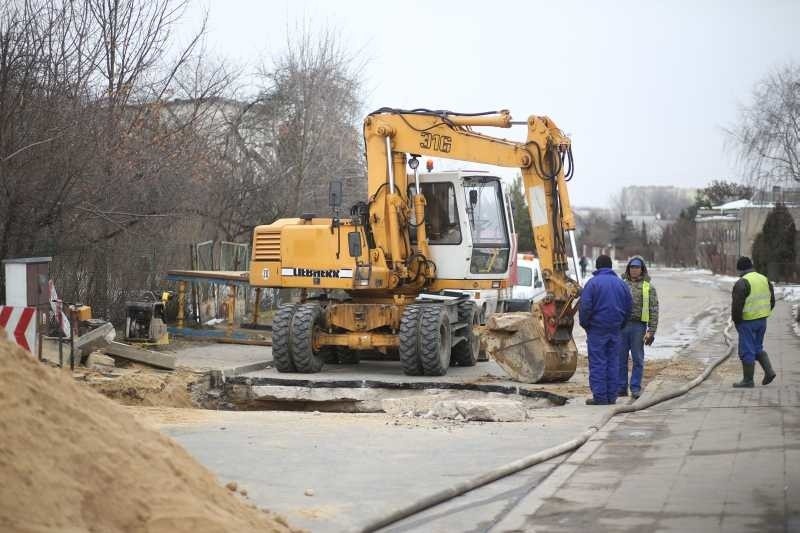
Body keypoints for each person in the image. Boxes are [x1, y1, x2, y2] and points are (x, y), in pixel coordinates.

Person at [579, 255, 633, 405]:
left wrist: (586, 324)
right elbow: (629, 307)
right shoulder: (621, 284)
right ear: (610, 266)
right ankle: (611, 397)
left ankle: (600, 397)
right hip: (615, 329)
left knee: (598, 362)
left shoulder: (592, 283)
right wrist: (621, 324)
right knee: (613, 361)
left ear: (597, 267)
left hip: (597, 329)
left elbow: (585, 307)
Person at [731, 256, 776, 388]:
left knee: (747, 350)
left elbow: (737, 306)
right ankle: (769, 371)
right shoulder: (764, 279)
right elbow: (771, 300)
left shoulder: (742, 282)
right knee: (757, 347)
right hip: (762, 320)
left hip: (747, 321)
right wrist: (763, 313)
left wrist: (737, 321)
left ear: (741, 269)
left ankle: (748, 380)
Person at [618, 256, 659, 399]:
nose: (634, 270)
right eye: (632, 267)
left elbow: (654, 309)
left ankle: (635, 387)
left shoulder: (648, 287)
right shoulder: (621, 284)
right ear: (628, 269)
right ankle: (621, 387)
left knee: (637, 359)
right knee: (620, 358)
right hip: (622, 326)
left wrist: (651, 331)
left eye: (637, 267)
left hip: (638, 327)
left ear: (642, 269)